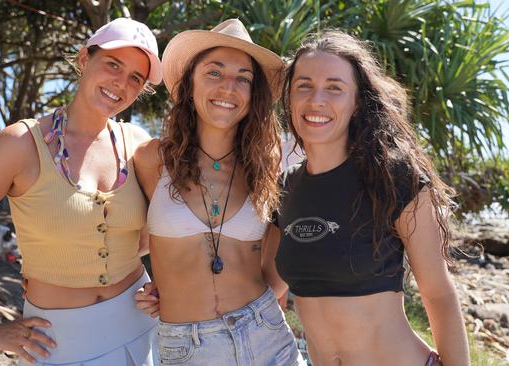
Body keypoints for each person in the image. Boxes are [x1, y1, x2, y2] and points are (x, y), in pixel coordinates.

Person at [0, 18, 163, 365]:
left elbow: (154, 237)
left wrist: (161, 289)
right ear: (84, 59)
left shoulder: (138, 145)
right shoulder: (20, 145)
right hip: (56, 343)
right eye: (113, 64)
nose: (121, 83)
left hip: (142, 331)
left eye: (135, 78)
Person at [263, 31, 470, 365]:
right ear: (289, 99)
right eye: (304, 85)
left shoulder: (393, 178)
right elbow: (266, 288)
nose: (317, 99)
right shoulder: (285, 189)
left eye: (334, 87)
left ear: (357, 101)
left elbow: (439, 294)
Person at [133, 19, 305, 366]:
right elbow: (128, 241)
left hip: (267, 337)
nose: (229, 87)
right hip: (187, 347)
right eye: (214, 72)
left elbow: (276, 258)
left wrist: (256, 313)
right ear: (190, 82)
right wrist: (149, 286)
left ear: (253, 94)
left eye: (244, 78)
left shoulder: (266, 165)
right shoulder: (153, 160)